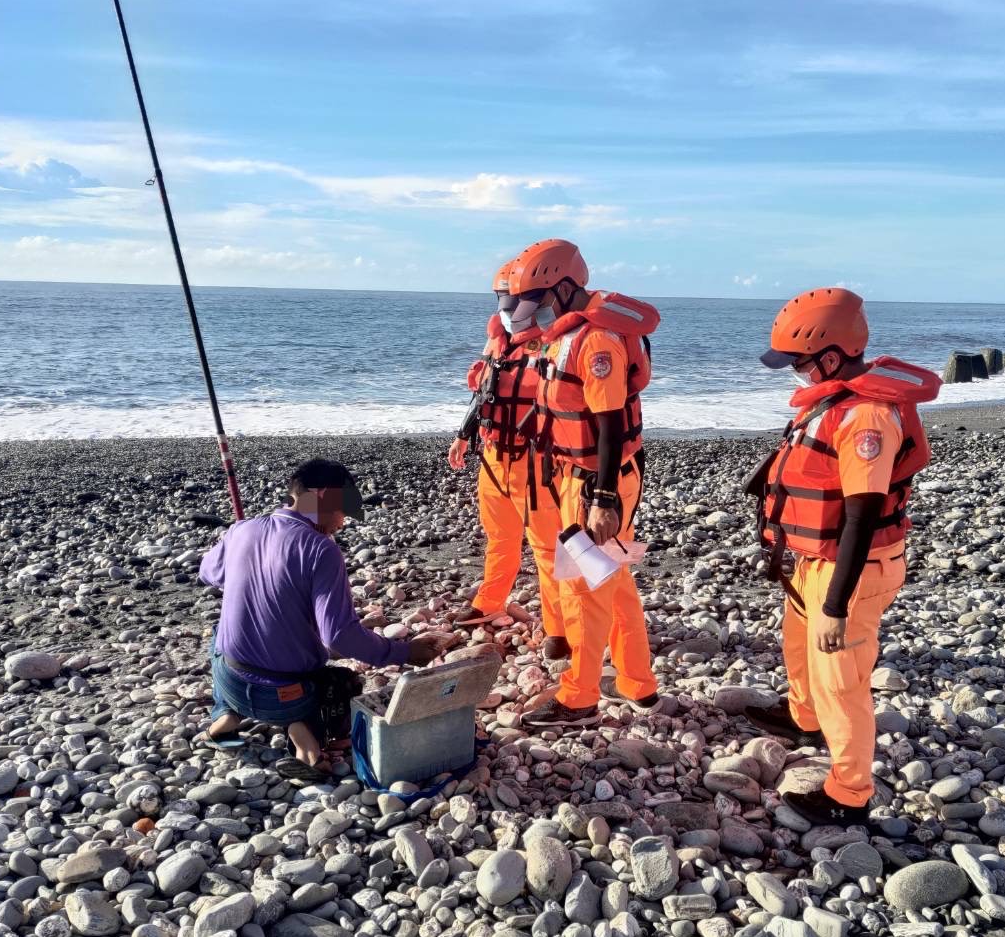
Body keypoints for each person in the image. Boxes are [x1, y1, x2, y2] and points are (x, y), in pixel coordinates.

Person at [744, 287, 940, 826]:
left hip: (851, 568)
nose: (795, 372)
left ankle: (850, 793)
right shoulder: (833, 401)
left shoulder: (867, 419)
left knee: (842, 681)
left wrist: (836, 603)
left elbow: (860, 515)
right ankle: (803, 719)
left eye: (799, 362)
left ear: (831, 357)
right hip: (814, 561)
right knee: (798, 647)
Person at [200, 458, 447, 776]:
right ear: (318, 501)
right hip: (286, 698)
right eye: (342, 510)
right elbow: (339, 636)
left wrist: (239, 550)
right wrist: (404, 652)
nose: (343, 522)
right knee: (342, 685)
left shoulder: (242, 530)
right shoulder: (320, 549)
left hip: (230, 679)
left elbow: (209, 573)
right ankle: (306, 736)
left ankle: (226, 714)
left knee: (220, 632)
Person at [504, 238, 662, 730]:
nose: (538, 311)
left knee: (583, 588)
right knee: (613, 583)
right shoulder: (568, 334)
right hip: (583, 476)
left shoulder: (597, 341)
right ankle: (638, 684)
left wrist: (603, 497)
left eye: (543, 299)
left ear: (567, 287)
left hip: (597, 480)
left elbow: (610, 424)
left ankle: (580, 698)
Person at [446, 258, 567, 658]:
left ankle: (559, 628)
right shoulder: (498, 337)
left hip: (535, 462)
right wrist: (464, 435)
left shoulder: (556, 338)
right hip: (493, 455)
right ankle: (489, 602)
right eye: (501, 297)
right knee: (500, 537)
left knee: (548, 548)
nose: (506, 305)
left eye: (511, 297)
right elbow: (484, 391)